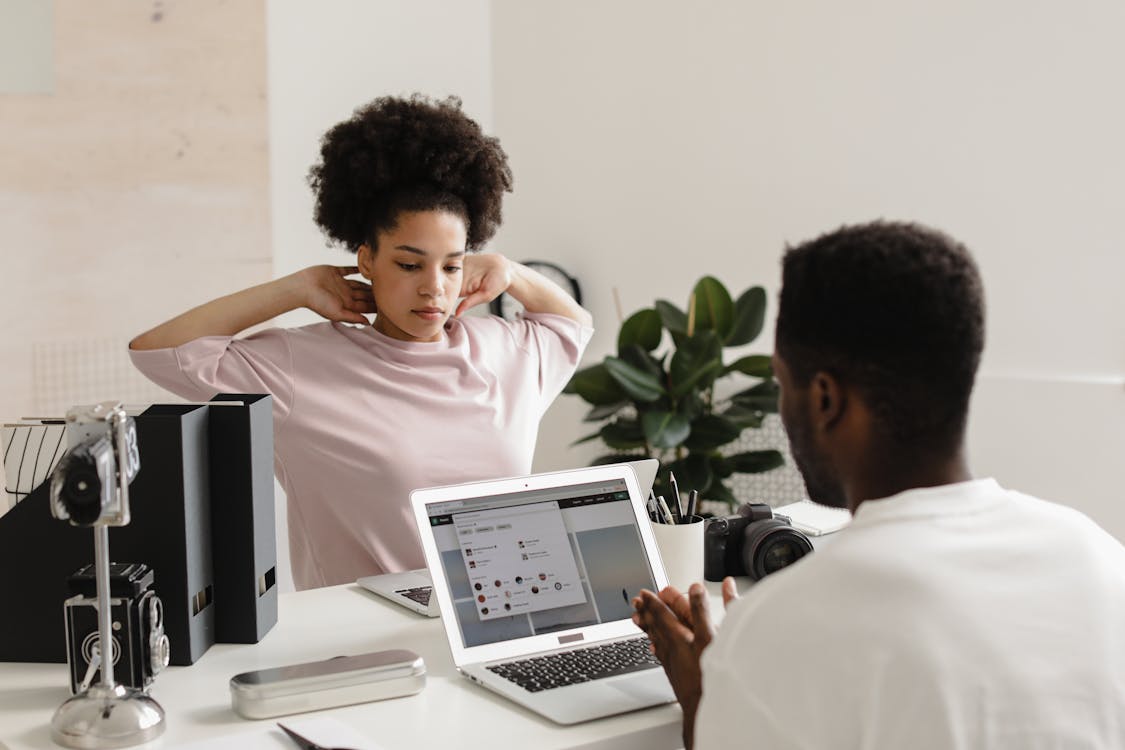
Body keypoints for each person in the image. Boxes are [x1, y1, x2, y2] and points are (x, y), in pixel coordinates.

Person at [632, 222, 1125, 749]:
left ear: (824, 399)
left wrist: (705, 703)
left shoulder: (787, 627)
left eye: (782, 382)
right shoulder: (1100, 558)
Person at [130, 94, 593, 590]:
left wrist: (511, 271)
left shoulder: (506, 352)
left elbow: (572, 324)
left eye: (452, 265)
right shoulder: (298, 367)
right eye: (410, 264)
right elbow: (160, 351)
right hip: (362, 641)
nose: (434, 287)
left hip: (502, 619)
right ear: (367, 260)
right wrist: (295, 288)